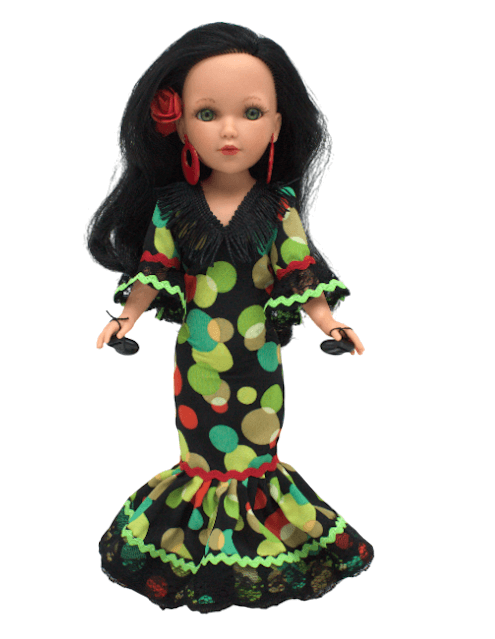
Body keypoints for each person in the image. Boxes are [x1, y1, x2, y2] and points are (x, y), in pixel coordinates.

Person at [88, 22, 373, 613]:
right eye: (207, 113)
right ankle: (202, 543)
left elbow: (299, 271)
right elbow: (155, 269)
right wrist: (126, 318)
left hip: (258, 363)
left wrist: (330, 324)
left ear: (277, 125)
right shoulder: (173, 207)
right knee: (202, 456)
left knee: (255, 453)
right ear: (178, 124)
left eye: (250, 112)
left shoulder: (278, 207)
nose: (229, 130)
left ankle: (259, 540)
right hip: (197, 361)